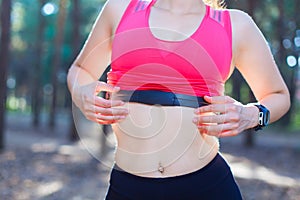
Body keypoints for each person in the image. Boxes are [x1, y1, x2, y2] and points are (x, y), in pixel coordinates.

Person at [67, 0, 290, 199]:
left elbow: (279, 96)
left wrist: (251, 115)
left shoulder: (236, 25)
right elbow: (80, 71)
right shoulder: (119, 9)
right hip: (129, 187)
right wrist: (81, 92)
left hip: (207, 186)